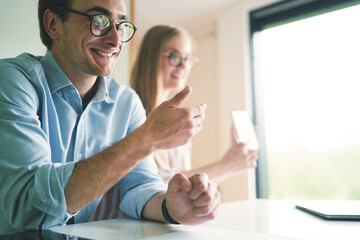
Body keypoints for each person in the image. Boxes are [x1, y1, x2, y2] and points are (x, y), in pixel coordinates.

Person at [0, 0, 221, 235]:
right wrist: (147, 138)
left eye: (121, 25)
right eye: (98, 21)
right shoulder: (13, 81)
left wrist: (170, 207)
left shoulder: (127, 102)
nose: (116, 40)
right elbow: (31, 207)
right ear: (53, 24)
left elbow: (139, 187)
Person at [130, 25, 259, 184]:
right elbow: (149, 189)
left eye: (187, 59)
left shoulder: (180, 122)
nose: (183, 66)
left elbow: (184, 189)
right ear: (151, 57)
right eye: (174, 56)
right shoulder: (131, 115)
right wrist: (225, 165)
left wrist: (231, 164)